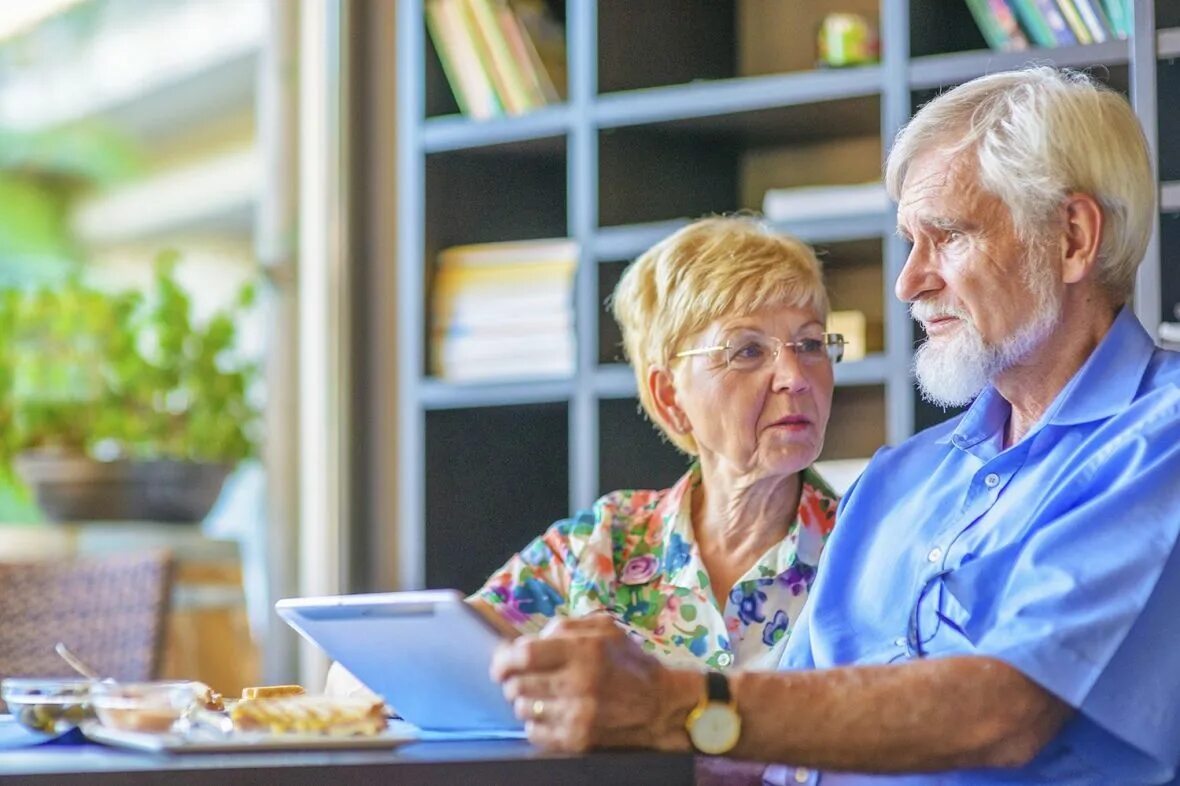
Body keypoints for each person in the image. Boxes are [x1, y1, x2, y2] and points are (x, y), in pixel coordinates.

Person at [490, 66, 1180, 785]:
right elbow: (775, 752)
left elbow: (1000, 710)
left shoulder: (1157, 439)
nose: (908, 281)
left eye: (945, 238)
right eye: (909, 242)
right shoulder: (895, 481)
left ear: (1071, 238)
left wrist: (671, 703)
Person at [327, 216, 846, 697]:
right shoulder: (606, 542)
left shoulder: (863, 543)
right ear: (669, 396)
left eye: (810, 344)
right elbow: (371, 672)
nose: (795, 377)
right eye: (748, 351)